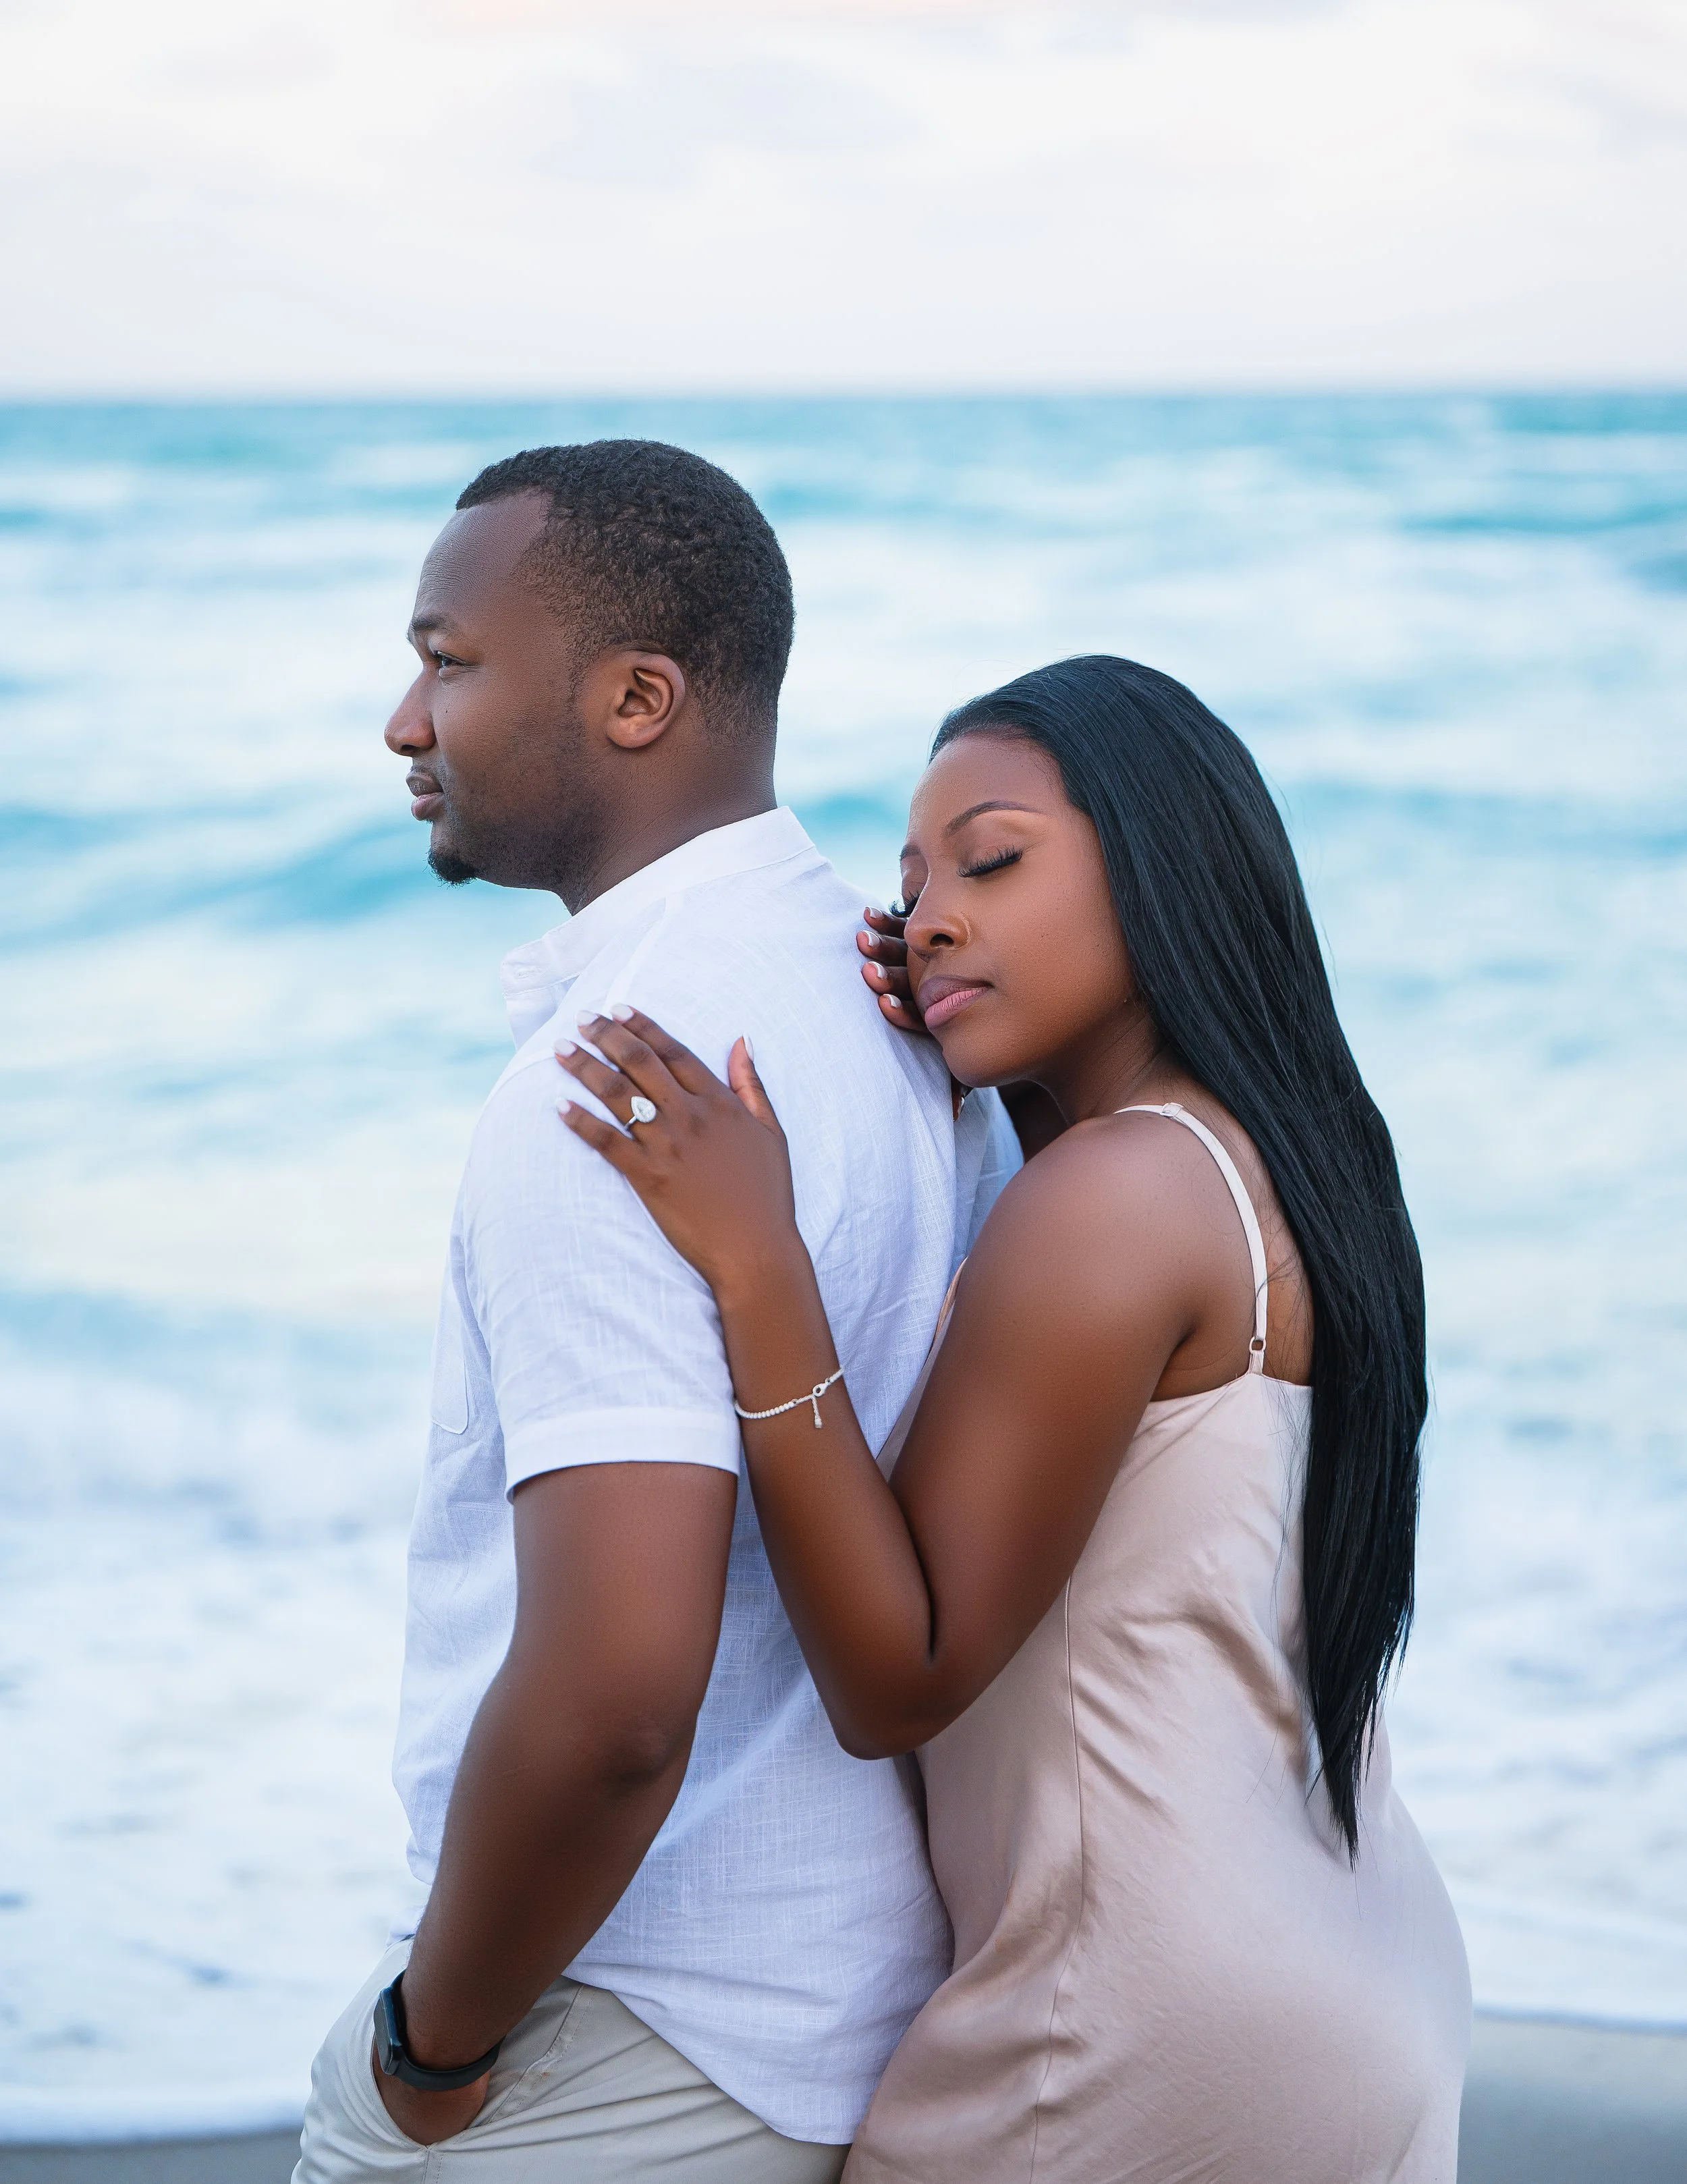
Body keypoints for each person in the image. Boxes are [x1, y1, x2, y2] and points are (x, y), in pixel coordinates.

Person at [556, 655, 1473, 2183]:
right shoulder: (1272, 1174)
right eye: (910, 886)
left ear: (1165, 867)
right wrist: (994, 1073)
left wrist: (757, 1259)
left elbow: (895, 1676)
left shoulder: (1109, 1199)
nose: (929, 916)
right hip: (1360, 1955)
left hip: (1128, 2010)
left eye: (990, 861)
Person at [293, 441, 1018, 2183]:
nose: (406, 720)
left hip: (624, 2023)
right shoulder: (908, 1013)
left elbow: (617, 1697)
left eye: (449, 660)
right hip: (851, 2004)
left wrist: (432, 2045)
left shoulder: (616, 1087)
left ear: (634, 697)